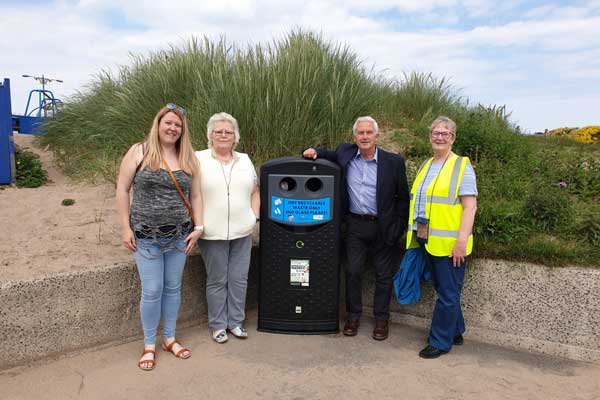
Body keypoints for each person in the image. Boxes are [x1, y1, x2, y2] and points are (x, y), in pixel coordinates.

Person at [303, 116, 410, 340]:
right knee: (353, 272)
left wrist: (397, 227)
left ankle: (381, 320)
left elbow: (403, 199)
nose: (364, 137)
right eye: (360, 133)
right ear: (355, 137)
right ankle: (353, 316)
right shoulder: (346, 152)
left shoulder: (394, 162)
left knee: (384, 275)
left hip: (383, 227)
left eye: (369, 133)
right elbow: (328, 154)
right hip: (355, 225)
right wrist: (313, 151)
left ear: (377, 136)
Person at [116, 103, 204, 371]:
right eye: (168, 123)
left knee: (173, 288)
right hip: (146, 236)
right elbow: (122, 189)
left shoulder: (189, 158)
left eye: (177, 125)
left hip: (179, 237)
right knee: (152, 290)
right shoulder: (139, 152)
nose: (172, 128)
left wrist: (198, 228)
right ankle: (149, 344)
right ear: (158, 124)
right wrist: (125, 227)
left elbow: (197, 195)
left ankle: (169, 338)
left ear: (183, 130)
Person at [405, 116, 477, 359]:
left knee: (447, 293)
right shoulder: (427, 164)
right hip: (427, 239)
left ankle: (440, 341)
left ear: (453, 138)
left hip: (449, 244)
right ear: (430, 136)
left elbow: (470, 207)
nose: (439, 137)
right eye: (435, 133)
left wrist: (461, 242)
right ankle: (455, 330)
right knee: (445, 289)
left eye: (444, 133)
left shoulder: (462, 166)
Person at [196, 112, 260, 344]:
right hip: (211, 232)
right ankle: (218, 325)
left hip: (242, 230)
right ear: (210, 136)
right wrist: (198, 223)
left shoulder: (244, 159)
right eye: (218, 131)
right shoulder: (198, 158)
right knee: (217, 279)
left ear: (235, 137)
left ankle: (236, 322)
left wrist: (255, 217)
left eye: (228, 132)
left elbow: (255, 190)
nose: (223, 135)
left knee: (239, 278)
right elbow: (191, 194)